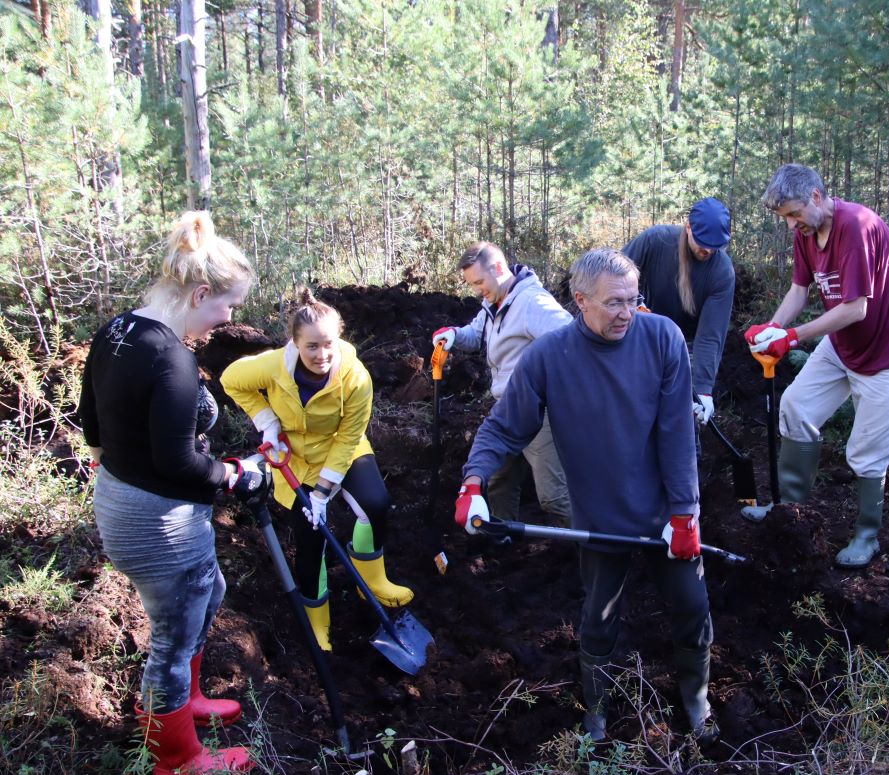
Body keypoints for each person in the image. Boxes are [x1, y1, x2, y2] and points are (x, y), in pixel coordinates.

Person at [454, 248, 718, 746]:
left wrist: (685, 512)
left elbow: (678, 431)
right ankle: (596, 712)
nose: (627, 313)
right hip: (600, 517)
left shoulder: (661, 338)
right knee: (598, 618)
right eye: (614, 303)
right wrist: (473, 482)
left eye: (634, 300)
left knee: (692, 605)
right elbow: (503, 428)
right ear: (580, 301)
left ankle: (696, 700)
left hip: (665, 515)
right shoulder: (550, 358)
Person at [79, 211, 261, 775]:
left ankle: (188, 699)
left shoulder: (116, 332)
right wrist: (237, 476)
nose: (228, 318)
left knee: (209, 595)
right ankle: (176, 759)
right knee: (172, 639)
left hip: (122, 499)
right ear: (201, 292)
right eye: (226, 305)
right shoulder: (171, 359)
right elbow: (178, 463)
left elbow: (91, 427)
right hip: (156, 523)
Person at [743, 164, 889, 568]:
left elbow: (856, 309)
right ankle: (788, 510)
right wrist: (773, 329)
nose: (791, 225)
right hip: (843, 348)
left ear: (815, 196)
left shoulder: (856, 226)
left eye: (793, 214)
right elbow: (798, 291)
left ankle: (866, 534)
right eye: (784, 219)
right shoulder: (806, 235)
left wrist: (794, 337)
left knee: (866, 452)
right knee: (797, 406)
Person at [222, 289, 412, 652]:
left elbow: (347, 439)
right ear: (295, 343)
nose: (321, 354)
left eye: (328, 344)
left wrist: (323, 493)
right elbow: (232, 380)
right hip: (295, 458)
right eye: (311, 346)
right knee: (311, 543)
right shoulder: (274, 365)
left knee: (375, 504)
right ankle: (317, 620)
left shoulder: (356, 378)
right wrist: (267, 421)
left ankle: (371, 581)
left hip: (342, 448)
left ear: (339, 337)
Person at [431, 242, 572, 526]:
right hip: (508, 408)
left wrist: (549, 385)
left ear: (498, 268)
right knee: (499, 480)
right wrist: (455, 335)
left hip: (538, 411)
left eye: (479, 281)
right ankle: (500, 539)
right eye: (472, 284)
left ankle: (602, 548)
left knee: (554, 497)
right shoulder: (494, 301)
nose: (476, 289)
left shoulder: (532, 302)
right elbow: (476, 332)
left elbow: (570, 339)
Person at [622, 197, 735, 425]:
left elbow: (710, 336)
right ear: (688, 226)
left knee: (685, 412)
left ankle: (687, 455)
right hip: (641, 332)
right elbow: (613, 275)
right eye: (701, 242)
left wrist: (702, 388)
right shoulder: (656, 241)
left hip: (686, 344)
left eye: (714, 247)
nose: (707, 250)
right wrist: (635, 304)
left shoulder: (722, 272)